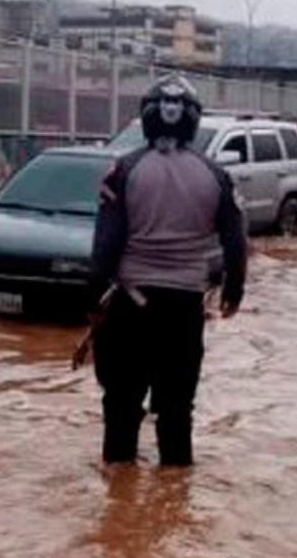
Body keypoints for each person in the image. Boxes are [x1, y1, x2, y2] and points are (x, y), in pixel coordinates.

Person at [91, 73, 248, 467]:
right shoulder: (216, 176)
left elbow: (106, 245)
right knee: (177, 410)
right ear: (193, 120)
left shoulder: (123, 170)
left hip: (130, 306)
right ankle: (175, 505)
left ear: (147, 117)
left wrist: (93, 299)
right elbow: (236, 243)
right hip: (184, 308)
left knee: (122, 406)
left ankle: (120, 503)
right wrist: (234, 291)